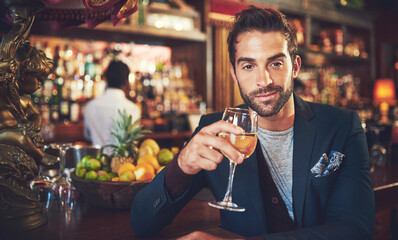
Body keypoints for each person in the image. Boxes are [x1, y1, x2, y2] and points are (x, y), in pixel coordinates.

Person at [130, 6, 374, 240]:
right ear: (234, 74)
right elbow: (142, 224)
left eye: (275, 63)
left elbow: (356, 230)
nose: (263, 80)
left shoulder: (341, 126)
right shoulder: (214, 131)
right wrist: (181, 166)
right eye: (248, 66)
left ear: (295, 67)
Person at [84, 60, 141, 147]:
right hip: (124, 160)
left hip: (96, 159)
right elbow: (133, 141)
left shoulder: (90, 106)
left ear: (106, 79)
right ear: (126, 81)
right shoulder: (133, 109)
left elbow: (87, 136)